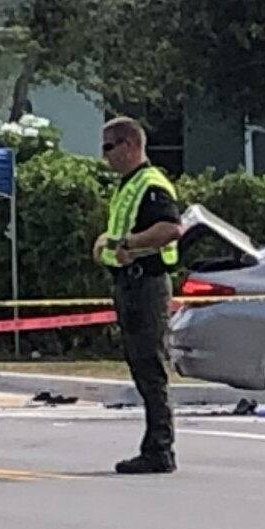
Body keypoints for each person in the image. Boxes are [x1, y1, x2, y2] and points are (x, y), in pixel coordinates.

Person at [92, 117, 183, 474]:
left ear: (129, 145)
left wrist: (129, 244)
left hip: (147, 284)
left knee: (150, 367)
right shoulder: (129, 185)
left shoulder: (150, 183)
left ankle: (160, 449)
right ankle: (154, 446)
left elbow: (171, 228)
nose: (105, 156)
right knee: (141, 365)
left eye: (108, 147)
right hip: (131, 284)